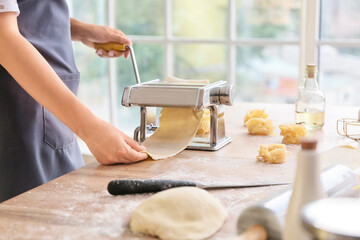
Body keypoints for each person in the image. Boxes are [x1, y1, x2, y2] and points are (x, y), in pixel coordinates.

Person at [0, 0, 148, 202]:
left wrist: (80, 30)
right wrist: (90, 129)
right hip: (19, 121)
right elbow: (3, 38)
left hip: (52, 116)